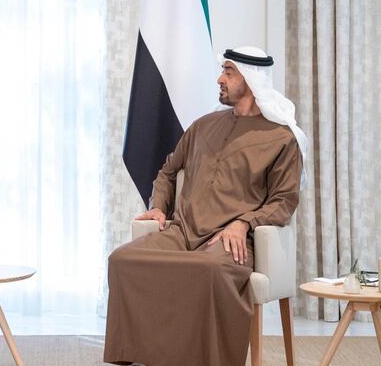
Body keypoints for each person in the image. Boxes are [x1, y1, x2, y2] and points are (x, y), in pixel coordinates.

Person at [104, 47, 305, 366]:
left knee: (211, 270)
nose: (219, 79)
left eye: (228, 72)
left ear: (251, 81)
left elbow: (284, 201)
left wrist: (244, 223)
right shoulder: (202, 126)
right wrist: (159, 206)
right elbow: (168, 171)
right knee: (121, 260)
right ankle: (143, 355)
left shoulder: (281, 139)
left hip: (231, 242)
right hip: (182, 233)